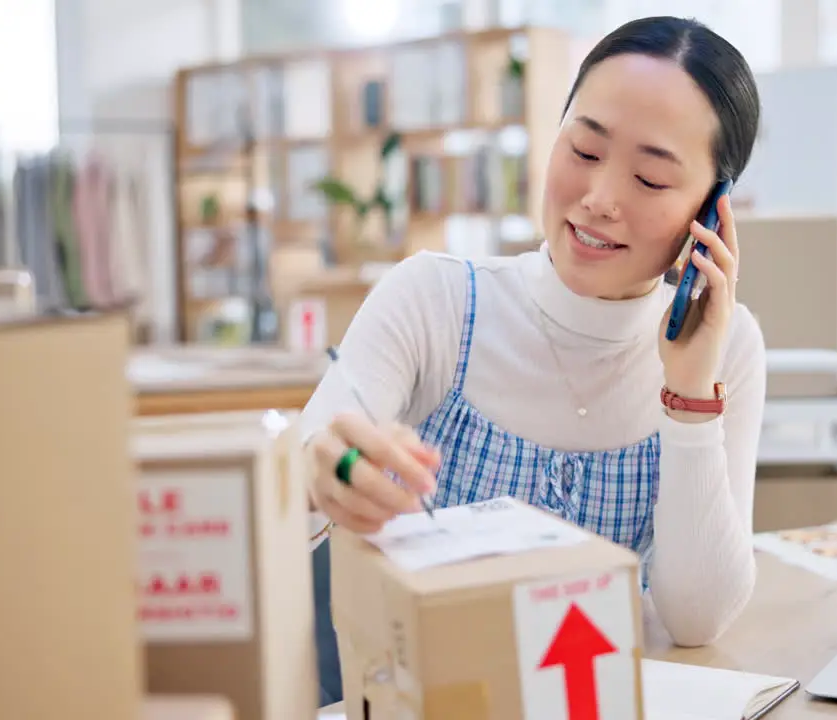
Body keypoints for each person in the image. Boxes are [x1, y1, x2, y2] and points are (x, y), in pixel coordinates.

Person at [299, 15, 765, 704]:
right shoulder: (436, 298)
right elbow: (301, 479)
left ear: (713, 210)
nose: (600, 198)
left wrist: (691, 395)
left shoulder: (730, 346)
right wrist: (325, 470)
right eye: (583, 150)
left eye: (649, 178)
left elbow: (697, 621)